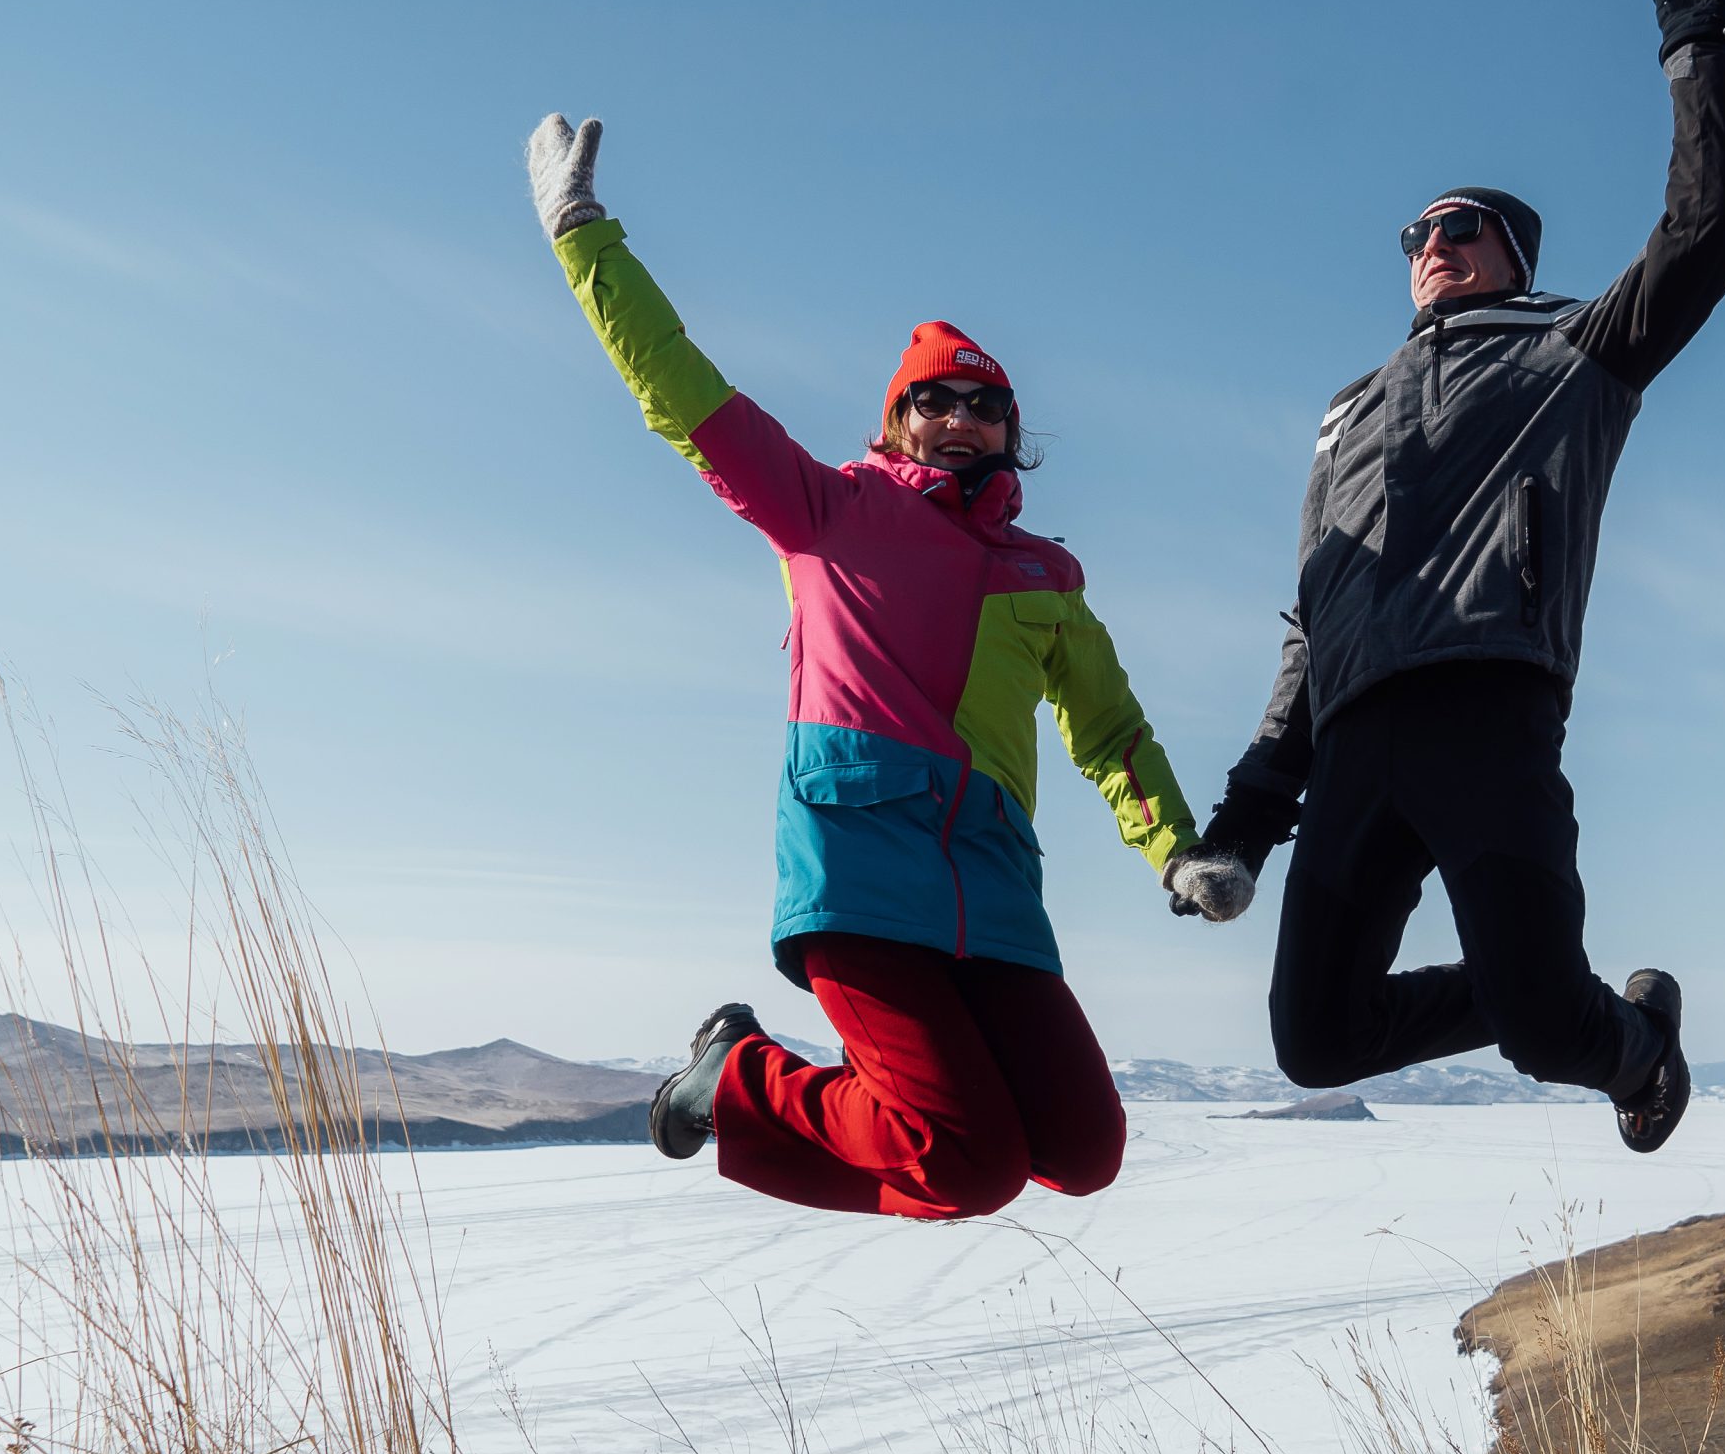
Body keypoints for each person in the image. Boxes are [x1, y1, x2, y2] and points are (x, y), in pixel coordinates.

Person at [525, 115, 1250, 1220]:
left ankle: (792, 1092)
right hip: (859, 872)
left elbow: (1108, 730)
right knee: (963, 1163)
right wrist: (585, 236)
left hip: (995, 888)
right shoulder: (824, 511)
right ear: (897, 421)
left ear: (1011, 432)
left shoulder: (1044, 575)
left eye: (985, 404)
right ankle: (734, 1077)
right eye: (934, 400)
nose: (959, 418)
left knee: (1082, 1149)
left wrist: (1176, 846)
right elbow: (681, 390)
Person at [1165, 0, 1725, 1154]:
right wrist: (1240, 826)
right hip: (1352, 748)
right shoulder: (1346, 415)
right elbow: (1308, 624)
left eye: (1462, 228)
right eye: (1417, 235)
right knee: (1313, 1042)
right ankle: (1545, 994)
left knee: (1554, 1033)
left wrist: (1697, 52)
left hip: (1489, 711)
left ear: (1512, 257)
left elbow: (1708, 234)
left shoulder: (1572, 351)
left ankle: (1633, 1039)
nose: (1432, 246)